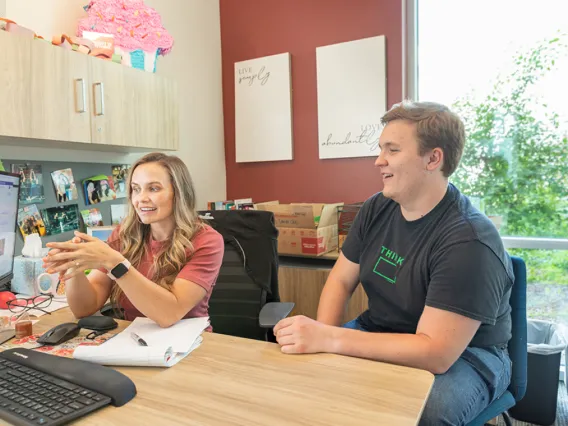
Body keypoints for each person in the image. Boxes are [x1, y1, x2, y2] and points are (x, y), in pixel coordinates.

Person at [273, 101, 514, 425]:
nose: (379, 160)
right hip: (382, 329)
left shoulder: (469, 241)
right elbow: (341, 281)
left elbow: (435, 354)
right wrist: (324, 345)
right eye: (381, 149)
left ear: (433, 158)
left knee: (422, 412)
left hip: (468, 355)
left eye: (393, 150)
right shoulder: (377, 208)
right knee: (307, 380)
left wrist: (329, 339)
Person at [42, 152, 224, 328]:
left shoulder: (207, 241)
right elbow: (84, 309)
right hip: (133, 341)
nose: (141, 199)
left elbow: (170, 314)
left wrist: (115, 262)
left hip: (187, 346)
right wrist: (74, 266)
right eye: (136, 189)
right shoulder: (125, 235)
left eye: (154, 188)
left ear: (178, 193)